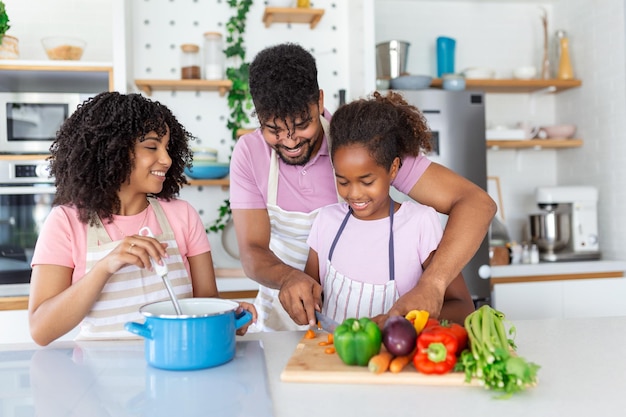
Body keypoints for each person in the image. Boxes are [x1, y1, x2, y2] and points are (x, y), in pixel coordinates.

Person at [229, 43, 495, 331]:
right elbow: (252, 251)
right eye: (274, 130)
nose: (290, 141)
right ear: (258, 117)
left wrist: (433, 283)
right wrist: (287, 277)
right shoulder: (250, 153)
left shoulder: (359, 147)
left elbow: (476, 203)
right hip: (281, 319)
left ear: (319, 101)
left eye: (302, 124)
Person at [29, 92, 256, 346]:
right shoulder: (66, 223)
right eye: (151, 146)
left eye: (168, 148)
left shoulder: (183, 216)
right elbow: (41, 329)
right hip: (97, 376)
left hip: (175, 366)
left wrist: (229, 318)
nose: (167, 159)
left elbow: (205, 305)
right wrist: (106, 266)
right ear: (112, 149)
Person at [304, 91, 475, 326]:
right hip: (331, 358)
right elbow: (310, 296)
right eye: (343, 181)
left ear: (393, 169)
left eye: (367, 181)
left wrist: (400, 321)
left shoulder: (419, 223)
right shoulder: (326, 221)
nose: (354, 194)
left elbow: (463, 307)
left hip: (396, 358)